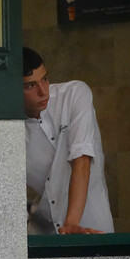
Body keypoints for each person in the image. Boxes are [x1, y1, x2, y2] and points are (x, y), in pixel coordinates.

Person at [23, 47, 114, 235]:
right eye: (30, 86)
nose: (43, 92)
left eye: (45, 79)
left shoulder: (74, 94)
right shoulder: (7, 126)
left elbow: (81, 161)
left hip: (92, 224)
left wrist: (72, 224)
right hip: (42, 230)